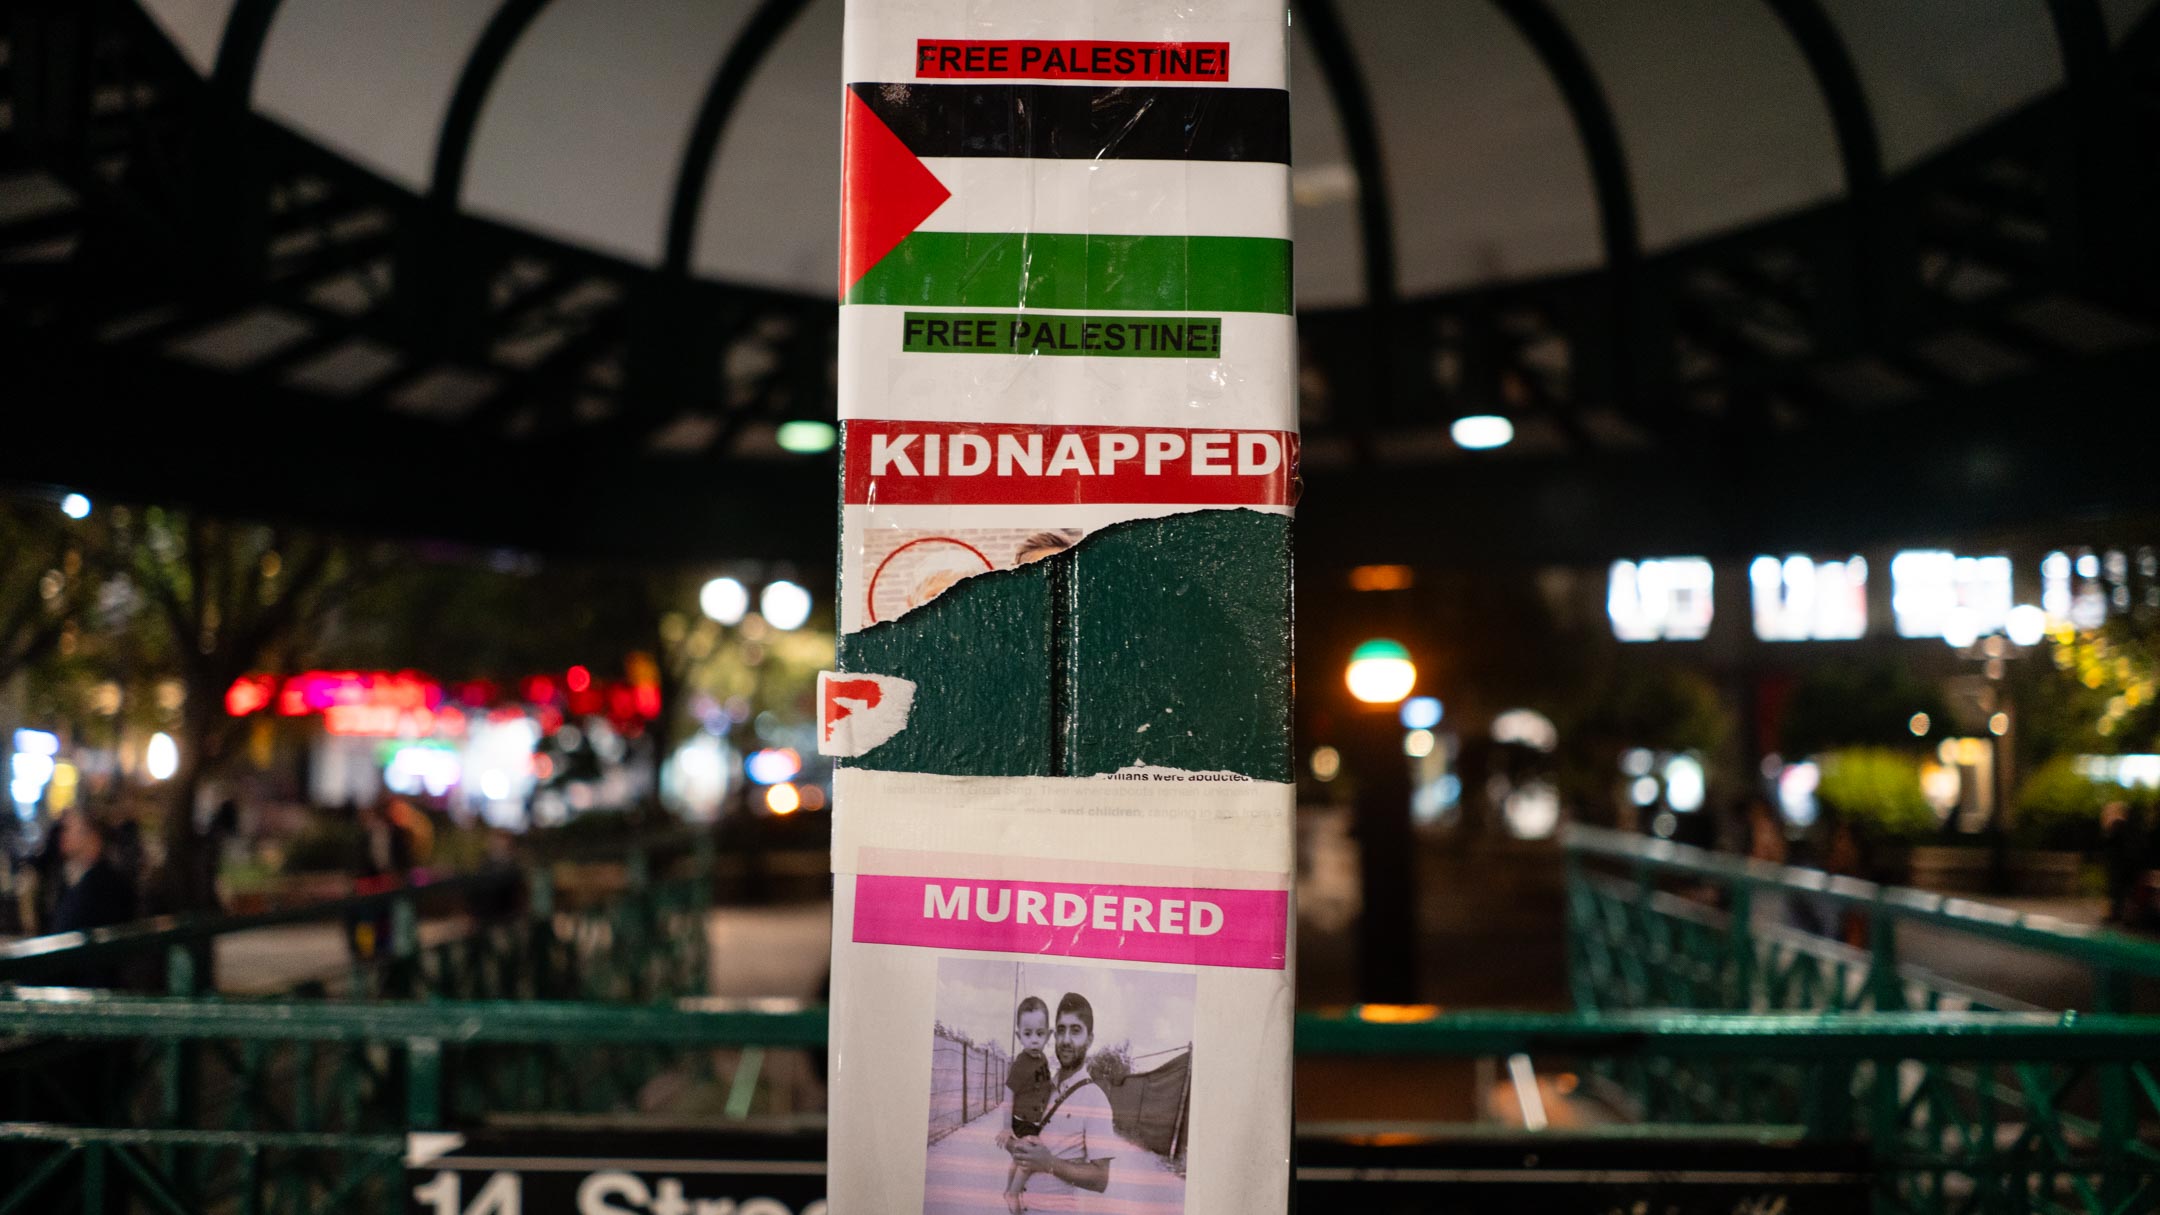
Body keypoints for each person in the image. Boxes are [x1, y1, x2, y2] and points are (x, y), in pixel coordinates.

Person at [1008, 992, 1114, 1211]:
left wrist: (1048, 1163)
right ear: (1054, 1035)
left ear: (1089, 1039)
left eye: (1075, 1031)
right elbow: (1013, 1132)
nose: (1066, 1040)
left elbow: (1101, 1178)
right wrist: (1015, 1145)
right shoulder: (1041, 1086)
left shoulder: (1095, 1100)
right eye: (1061, 1030)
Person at [996, 996, 1056, 1213]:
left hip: (1034, 1121)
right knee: (1027, 1160)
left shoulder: (1042, 1060)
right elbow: (1009, 1093)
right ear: (1019, 1035)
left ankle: (1009, 1190)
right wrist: (1006, 1126)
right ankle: (1013, 1193)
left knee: (1019, 1159)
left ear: (1048, 1035)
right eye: (1027, 1034)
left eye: (1039, 1034)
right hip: (1022, 1122)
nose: (1033, 1040)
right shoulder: (1021, 1063)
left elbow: (1044, 1085)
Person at [49, 811, 137, 935]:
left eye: (69, 829)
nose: (62, 836)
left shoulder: (106, 886)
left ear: (93, 838)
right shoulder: (70, 878)